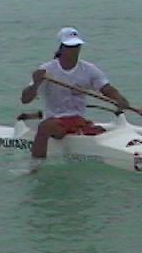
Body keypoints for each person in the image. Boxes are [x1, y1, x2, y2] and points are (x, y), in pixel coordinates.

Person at [21, 27, 130, 161]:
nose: (74, 50)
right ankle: (36, 165)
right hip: (55, 121)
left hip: (78, 120)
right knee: (44, 127)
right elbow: (25, 99)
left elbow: (106, 89)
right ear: (61, 48)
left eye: (77, 46)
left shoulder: (89, 69)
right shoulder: (46, 70)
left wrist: (119, 99)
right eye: (69, 47)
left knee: (99, 130)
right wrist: (36, 83)